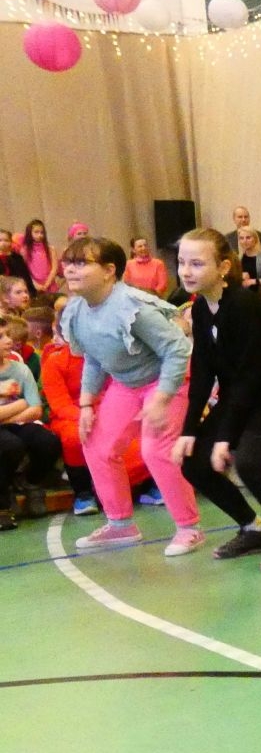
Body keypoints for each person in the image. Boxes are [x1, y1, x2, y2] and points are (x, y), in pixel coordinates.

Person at [174, 228, 261, 570]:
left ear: (223, 267)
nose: (186, 271)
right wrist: (189, 430)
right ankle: (254, 529)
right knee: (193, 462)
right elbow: (203, 371)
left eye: (196, 263)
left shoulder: (243, 305)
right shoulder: (201, 309)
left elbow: (251, 374)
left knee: (249, 463)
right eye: (181, 262)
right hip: (241, 393)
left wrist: (225, 437)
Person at [57, 237, 202, 554]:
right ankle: (120, 525)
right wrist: (86, 404)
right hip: (126, 385)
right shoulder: (77, 310)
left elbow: (177, 349)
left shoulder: (133, 307)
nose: (70, 269)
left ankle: (188, 527)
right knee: (96, 444)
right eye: (68, 262)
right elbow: (95, 358)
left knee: (156, 450)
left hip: (168, 381)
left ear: (109, 270)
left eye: (81, 263)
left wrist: (162, 398)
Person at [41, 299, 152, 517]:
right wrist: (86, 415)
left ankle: (145, 486)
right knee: (75, 437)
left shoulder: (105, 355)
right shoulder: (54, 362)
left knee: (139, 432)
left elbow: (117, 388)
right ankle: (83, 494)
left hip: (106, 410)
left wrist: (107, 414)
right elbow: (60, 404)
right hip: (70, 417)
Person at [0, 346, 61, 531]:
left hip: (19, 421)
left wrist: (6, 416)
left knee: (48, 442)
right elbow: (26, 402)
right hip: (15, 418)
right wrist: (20, 403)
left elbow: (35, 408)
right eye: (1, 336)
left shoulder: (20, 369)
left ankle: (31, 482)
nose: (8, 340)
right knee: (11, 446)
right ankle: (4, 496)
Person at [17, 220, 56, 294]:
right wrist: (34, 284)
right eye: (36, 232)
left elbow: (54, 268)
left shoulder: (50, 249)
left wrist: (47, 284)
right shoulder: (24, 250)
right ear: (29, 233)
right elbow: (24, 271)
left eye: (42, 232)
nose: (40, 235)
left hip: (50, 285)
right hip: (33, 286)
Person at [0, 232, 37, 300]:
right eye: (0, 240)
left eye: (6, 240)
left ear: (11, 242)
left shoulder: (17, 257)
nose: (3, 243)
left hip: (17, 290)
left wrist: (31, 292)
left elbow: (25, 276)